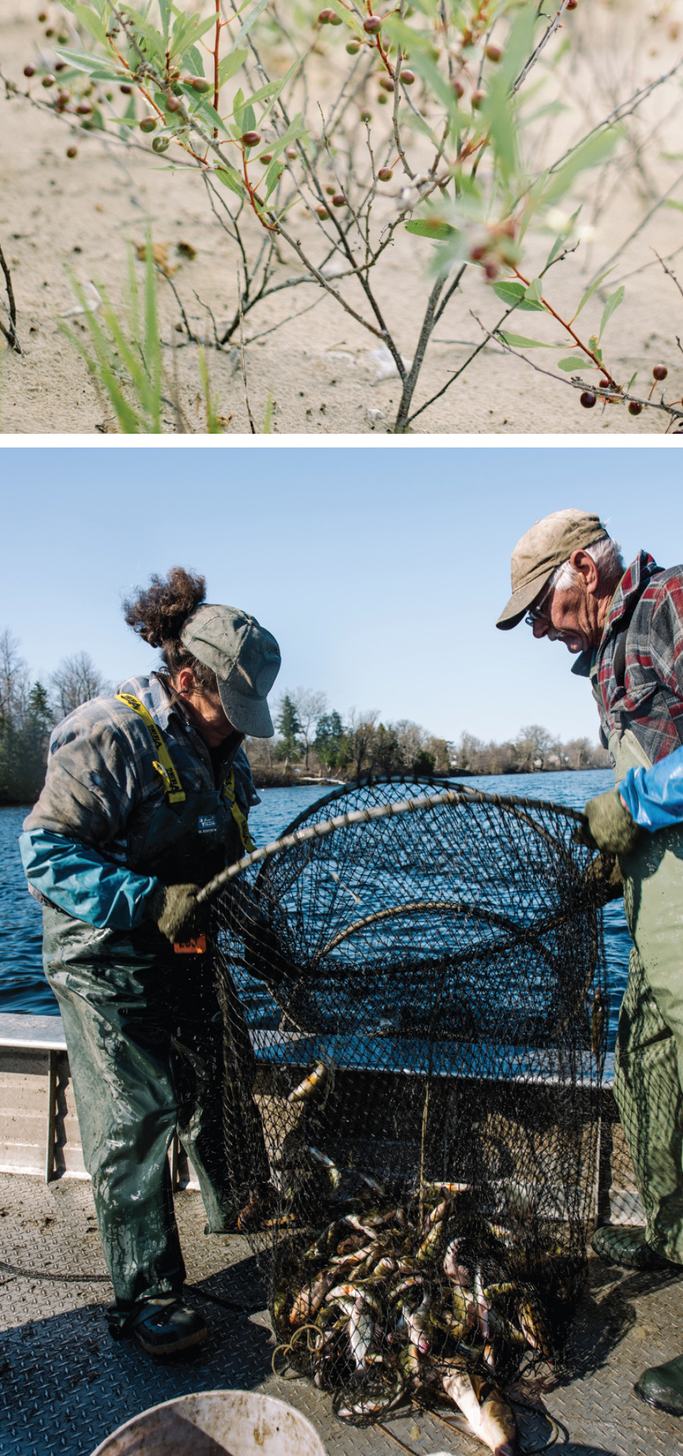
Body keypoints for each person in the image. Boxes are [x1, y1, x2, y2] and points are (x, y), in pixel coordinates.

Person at [498, 508, 683, 1427]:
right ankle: (680, 1244)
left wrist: (640, 801)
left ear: (585, 567)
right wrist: (614, 842)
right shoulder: (610, 658)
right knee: (648, 1075)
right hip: (658, 904)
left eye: (540, 606)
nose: (537, 628)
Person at [19, 568, 279, 1358]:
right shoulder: (108, 731)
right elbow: (43, 851)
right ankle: (146, 1294)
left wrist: (261, 931)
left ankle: (237, 1205)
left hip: (186, 947)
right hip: (102, 956)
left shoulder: (222, 750)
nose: (236, 729)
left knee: (218, 1073)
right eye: (226, 709)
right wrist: (146, 899)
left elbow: (228, 856)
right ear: (187, 677)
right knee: (135, 1114)